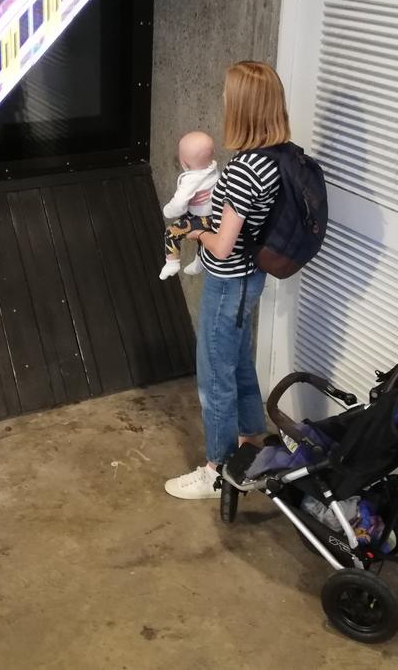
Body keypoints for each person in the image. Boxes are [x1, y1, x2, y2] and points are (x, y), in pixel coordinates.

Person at [164, 60, 288, 499]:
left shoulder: (244, 169)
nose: (222, 101)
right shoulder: (276, 157)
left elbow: (220, 246)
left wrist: (192, 232)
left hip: (228, 283)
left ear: (243, 107)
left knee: (214, 376)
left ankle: (216, 470)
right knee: (237, 364)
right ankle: (252, 436)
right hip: (249, 278)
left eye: (227, 95)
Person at [159, 131, 220, 279]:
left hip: (201, 218)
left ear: (184, 162)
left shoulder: (191, 180)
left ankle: (172, 263)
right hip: (214, 215)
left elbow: (179, 203)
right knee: (203, 237)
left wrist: (168, 211)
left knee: (171, 233)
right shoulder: (213, 169)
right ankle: (200, 261)